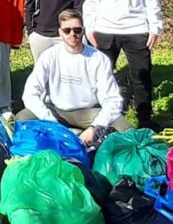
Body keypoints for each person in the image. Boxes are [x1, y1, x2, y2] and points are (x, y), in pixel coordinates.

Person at [82, 0, 163, 129]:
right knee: (101, 76)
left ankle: (144, 121)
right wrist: (89, 26)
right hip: (105, 29)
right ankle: (99, 120)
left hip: (136, 28)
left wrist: (155, 26)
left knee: (141, 76)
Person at [18, 8, 131, 146]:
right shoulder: (49, 56)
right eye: (67, 30)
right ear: (60, 32)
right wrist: (52, 123)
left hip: (87, 112)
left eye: (77, 30)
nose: (73, 34)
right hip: (56, 111)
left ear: (83, 31)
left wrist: (95, 127)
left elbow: (112, 100)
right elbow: (30, 94)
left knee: (125, 128)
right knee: (22, 118)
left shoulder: (98, 58)